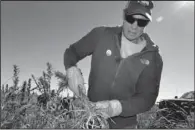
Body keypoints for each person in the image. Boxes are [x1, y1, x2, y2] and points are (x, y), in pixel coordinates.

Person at [64, 0, 163, 129]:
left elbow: (147, 98)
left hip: (125, 126)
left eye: (142, 22)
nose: (134, 26)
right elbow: (71, 52)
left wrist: (116, 107)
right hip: (92, 121)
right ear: (124, 15)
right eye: (130, 18)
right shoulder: (101, 35)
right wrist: (71, 69)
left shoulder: (153, 57)